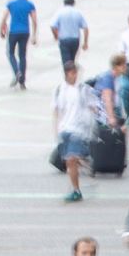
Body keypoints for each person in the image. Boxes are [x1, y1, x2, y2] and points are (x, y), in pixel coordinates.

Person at [52, 61, 93, 203]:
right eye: (71, 73)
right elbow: (56, 110)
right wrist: (56, 130)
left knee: (71, 158)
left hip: (78, 130)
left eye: (76, 73)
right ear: (66, 74)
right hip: (65, 129)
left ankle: (76, 190)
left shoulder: (83, 89)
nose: (74, 76)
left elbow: (93, 106)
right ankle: (83, 162)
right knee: (70, 162)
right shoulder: (59, 89)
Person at [0, 0, 36, 89]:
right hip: (25, 32)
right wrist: (34, 35)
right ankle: (22, 80)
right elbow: (34, 20)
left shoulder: (11, 3)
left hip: (13, 31)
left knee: (10, 53)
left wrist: (1, 30)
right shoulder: (30, 4)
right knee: (22, 55)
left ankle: (16, 72)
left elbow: (4, 18)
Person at [49, 0, 88, 67]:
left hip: (64, 40)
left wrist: (56, 36)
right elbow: (85, 28)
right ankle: (72, 75)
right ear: (73, 3)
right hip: (75, 40)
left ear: (64, 3)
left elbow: (52, 25)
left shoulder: (60, 12)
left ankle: (68, 76)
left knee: (66, 62)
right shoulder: (78, 13)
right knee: (72, 60)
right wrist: (85, 42)